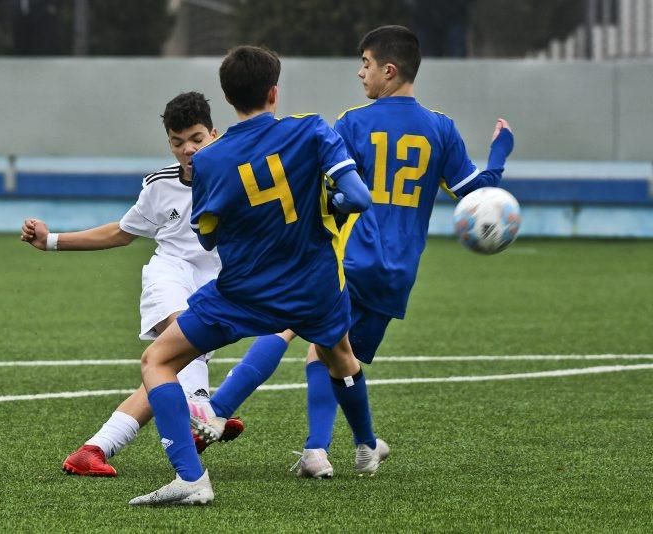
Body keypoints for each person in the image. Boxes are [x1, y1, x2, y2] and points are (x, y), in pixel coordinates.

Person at [194, 25, 515, 479]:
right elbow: (477, 195)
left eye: (365, 63)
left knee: (291, 327)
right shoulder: (441, 129)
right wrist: (500, 153)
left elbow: (330, 185)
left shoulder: (353, 123)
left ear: (389, 70)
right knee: (330, 353)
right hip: (398, 272)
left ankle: (222, 409)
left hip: (347, 255)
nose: (360, 72)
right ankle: (351, 448)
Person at [129, 45, 385, 506]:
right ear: (274, 91)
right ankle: (366, 447)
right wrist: (330, 204)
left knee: (157, 362)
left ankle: (191, 479)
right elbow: (359, 198)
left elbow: (207, 238)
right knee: (341, 355)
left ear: (227, 101)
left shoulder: (209, 160)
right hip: (314, 287)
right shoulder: (311, 130)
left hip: (243, 294)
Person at [19, 92, 286, 476]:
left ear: (214, 134)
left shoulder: (241, 178)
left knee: (165, 373)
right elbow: (121, 232)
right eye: (178, 143)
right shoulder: (160, 185)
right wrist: (51, 241)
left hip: (219, 288)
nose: (188, 149)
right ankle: (202, 411)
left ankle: (93, 450)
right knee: (183, 340)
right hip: (170, 275)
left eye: (196, 139)